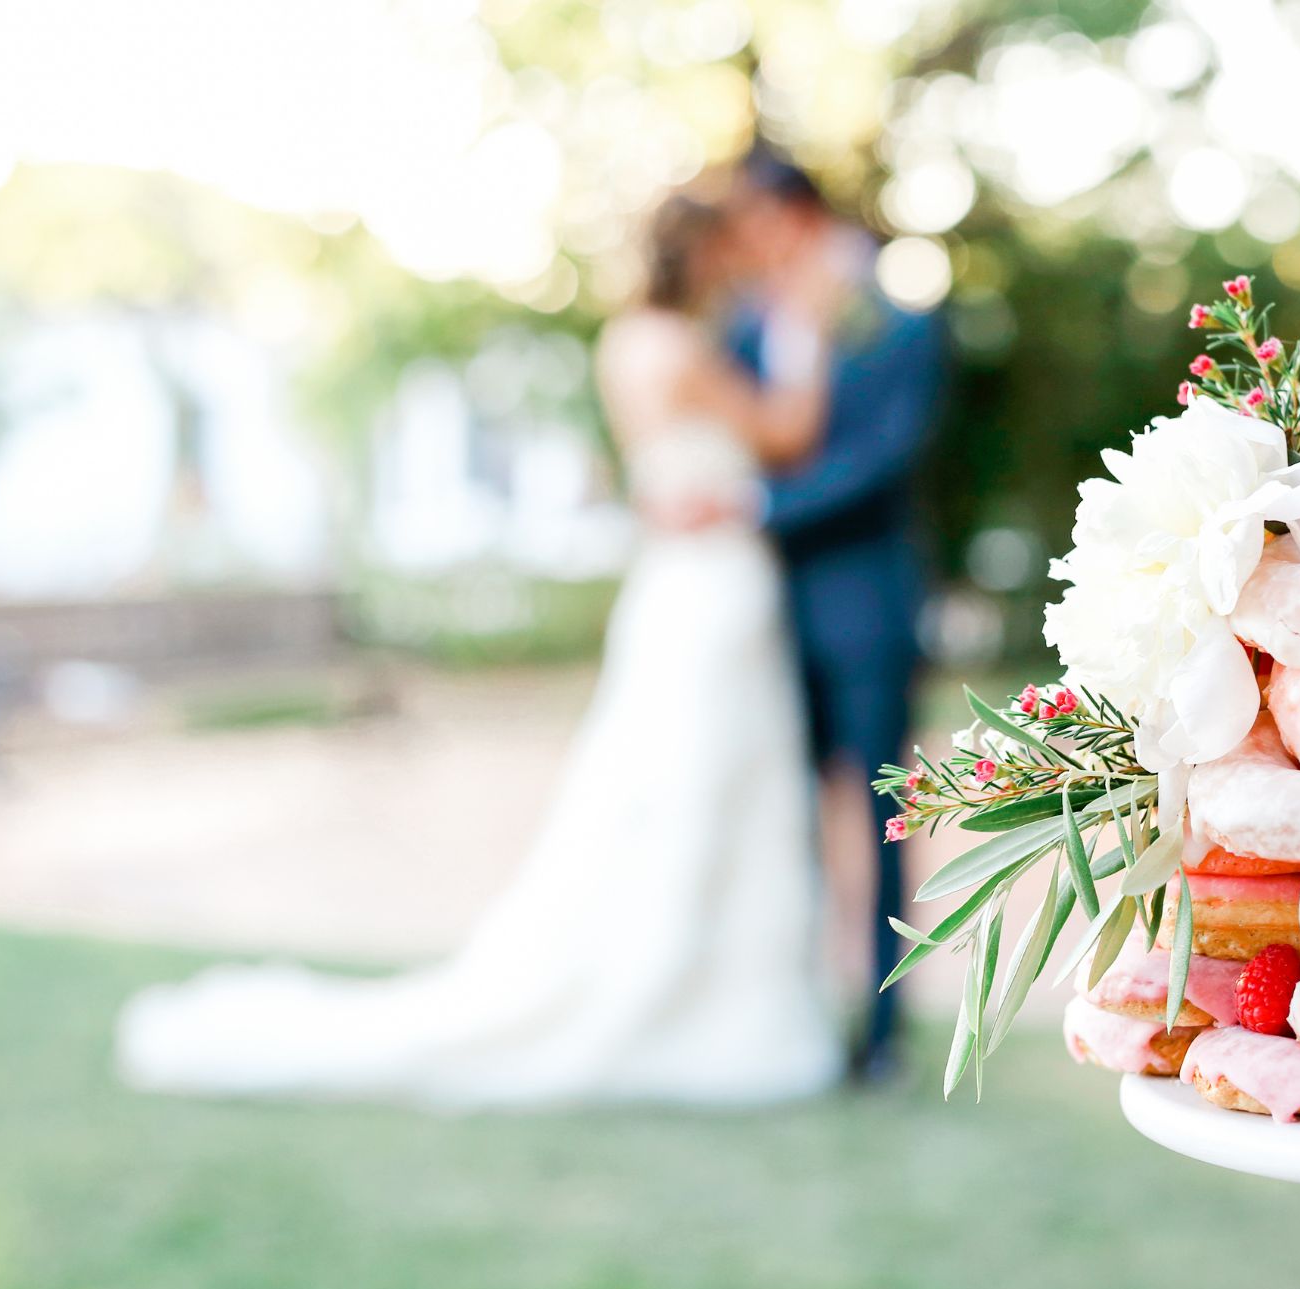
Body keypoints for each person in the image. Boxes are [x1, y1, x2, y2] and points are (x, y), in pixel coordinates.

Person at [112, 195, 845, 1107]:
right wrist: (804, 333)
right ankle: (699, 1007)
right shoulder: (683, 348)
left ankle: (721, 999)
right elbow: (787, 434)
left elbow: (647, 467)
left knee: (670, 791)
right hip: (712, 585)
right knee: (697, 789)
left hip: (677, 583)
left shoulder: (625, 343)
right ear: (703, 259)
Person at [723, 150, 946, 1081]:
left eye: (756, 224)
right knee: (783, 813)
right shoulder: (741, 327)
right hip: (759, 613)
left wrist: (760, 508)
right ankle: (799, 1014)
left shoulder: (900, 322)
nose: (746, 246)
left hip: (868, 606)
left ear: (800, 215)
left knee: (883, 814)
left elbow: (885, 456)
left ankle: (886, 1034)